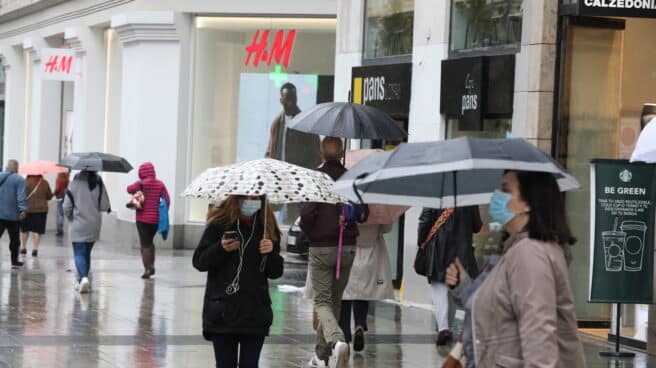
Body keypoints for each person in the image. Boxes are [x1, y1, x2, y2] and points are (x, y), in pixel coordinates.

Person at [446, 170, 585, 367]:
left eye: (505, 189)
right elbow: (496, 307)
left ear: (528, 203)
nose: (497, 195)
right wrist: (463, 286)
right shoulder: (513, 250)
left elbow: (539, 337)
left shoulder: (530, 254)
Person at [193, 195, 283, 368]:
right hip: (223, 313)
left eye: (255, 196)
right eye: (246, 196)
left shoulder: (267, 227)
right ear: (236, 197)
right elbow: (199, 261)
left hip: (255, 313)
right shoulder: (219, 223)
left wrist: (271, 253)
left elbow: (276, 272)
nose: (250, 200)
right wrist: (220, 248)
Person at [300, 137, 358, 368]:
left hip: (322, 247)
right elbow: (362, 211)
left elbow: (306, 215)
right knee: (334, 302)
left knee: (323, 301)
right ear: (342, 152)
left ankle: (337, 341)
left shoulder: (315, 177)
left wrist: (313, 233)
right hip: (349, 247)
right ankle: (320, 357)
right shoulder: (351, 177)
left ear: (321, 153)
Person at [417, 206, 483, 345]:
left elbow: (425, 220)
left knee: (439, 289)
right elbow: (477, 226)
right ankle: (449, 328)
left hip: (438, 249)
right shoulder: (469, 197)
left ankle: (443, 329)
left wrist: (421, 241)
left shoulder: (437, 191)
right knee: (453, 289)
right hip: (462, 251)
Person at [339, 224, 394, 353]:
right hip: (370, 253)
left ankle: (344, 337)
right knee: (363, 293)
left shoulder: (346, 207)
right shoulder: (377, 209)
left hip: (347, 250)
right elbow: (386, 228)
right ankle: (359, 325)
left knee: (344, 295)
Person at [63, 171, 111, 293]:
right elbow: (104, 205)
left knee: (79, 253)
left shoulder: (74, 183)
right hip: (94, 224)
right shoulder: (98, 181)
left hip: (78, 224)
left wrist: (70, 217)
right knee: (86, 253)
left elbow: (66, 207)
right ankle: (81, 281)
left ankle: (83, 278)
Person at [127, 162, 171, 279]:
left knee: (144, 243)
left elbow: (128, 189)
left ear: (141, 172)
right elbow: (167, 200)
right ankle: (151, 265)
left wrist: (136, 191)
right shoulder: (160, 184)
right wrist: (162, 211)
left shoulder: (140, 184)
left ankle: (148, 269)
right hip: (155, 220)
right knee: (150, 242)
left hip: (142, 219)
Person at [265, 82, 321, 169]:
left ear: (297, 99)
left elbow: (316, 156)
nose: (291, 103)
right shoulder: (277, 123)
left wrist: (303, 172)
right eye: (287, 100)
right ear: (281, 101)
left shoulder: (306, 123)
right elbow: (270, 151)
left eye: (293, 99)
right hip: (278, 174)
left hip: (299, 176)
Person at [0, 160, 27, 268]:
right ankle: (14, 261)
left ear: (7, 166)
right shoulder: (19, 179)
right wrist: (23, 209)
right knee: (15, 241)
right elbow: (21, 196)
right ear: (16, 167)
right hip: (13, 216)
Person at [20, 174, 53, 257]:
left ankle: (23, 248)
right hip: (41, 210)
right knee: (37, 230)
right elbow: (49, 196)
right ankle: (35, 249)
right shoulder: (45, 183)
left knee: (24, 229)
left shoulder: (24, 182)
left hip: (27, 209)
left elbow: (21, 195)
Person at [54, 172, 70, 237]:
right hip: (65, 197)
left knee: (60, 215)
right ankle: (61, 229)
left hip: (59, 198)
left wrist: (54, 193)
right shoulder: (67, 180)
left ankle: (60, 231)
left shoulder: (58, 180)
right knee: (62, 214)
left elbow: (57, 189)